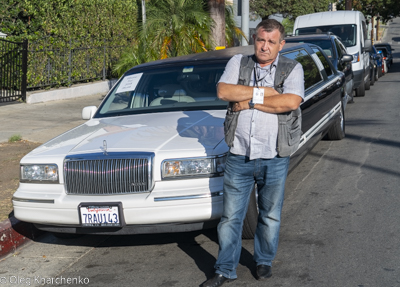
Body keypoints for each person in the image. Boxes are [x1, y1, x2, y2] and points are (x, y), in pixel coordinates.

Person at [202, 19, 305, 287]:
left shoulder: (292, 68)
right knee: (230, 218)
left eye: (272, 42)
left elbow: (290, 102)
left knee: (270, 214)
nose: (265, 46)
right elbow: (224, 91)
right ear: (254, 39)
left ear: (281, 44)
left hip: (275, 155)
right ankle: (224, 269)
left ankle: (263, 261)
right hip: (239, 154)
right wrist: (267, 95)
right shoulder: (238, 62)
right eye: (261, 40)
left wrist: (248, 102)